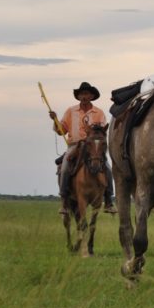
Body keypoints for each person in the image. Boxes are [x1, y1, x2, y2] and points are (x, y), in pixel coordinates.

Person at [49, 82, 115, 216]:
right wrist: (55, 120)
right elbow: (61, 130)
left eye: (87, 94)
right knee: (66, 165)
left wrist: (93, 134)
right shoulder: (70, 111)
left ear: (91, 96)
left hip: (92, 146)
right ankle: (64, 201)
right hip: (74, 145)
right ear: (78, 96)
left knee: (107, 167)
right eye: (81, 94)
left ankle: (108, 200)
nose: (84, 96)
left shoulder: (99, 112)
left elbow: (102, 131)